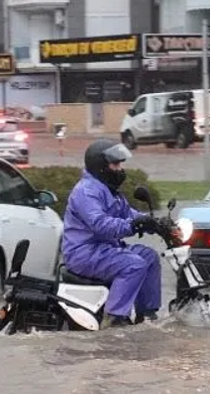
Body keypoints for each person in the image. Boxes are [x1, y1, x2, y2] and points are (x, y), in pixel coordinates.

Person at [61, 139, 162, 327]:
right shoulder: (86, 192)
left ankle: (146, 315)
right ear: (101, 166)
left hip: (105, 249)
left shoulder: (109, 190)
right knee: (134, 264)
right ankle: (114, 318)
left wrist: (154, 222)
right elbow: (101, 224)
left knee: (149, 256)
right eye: (116, 164)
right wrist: (134, 225)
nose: (120, 169)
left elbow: (127, 213)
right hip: (84, 253)